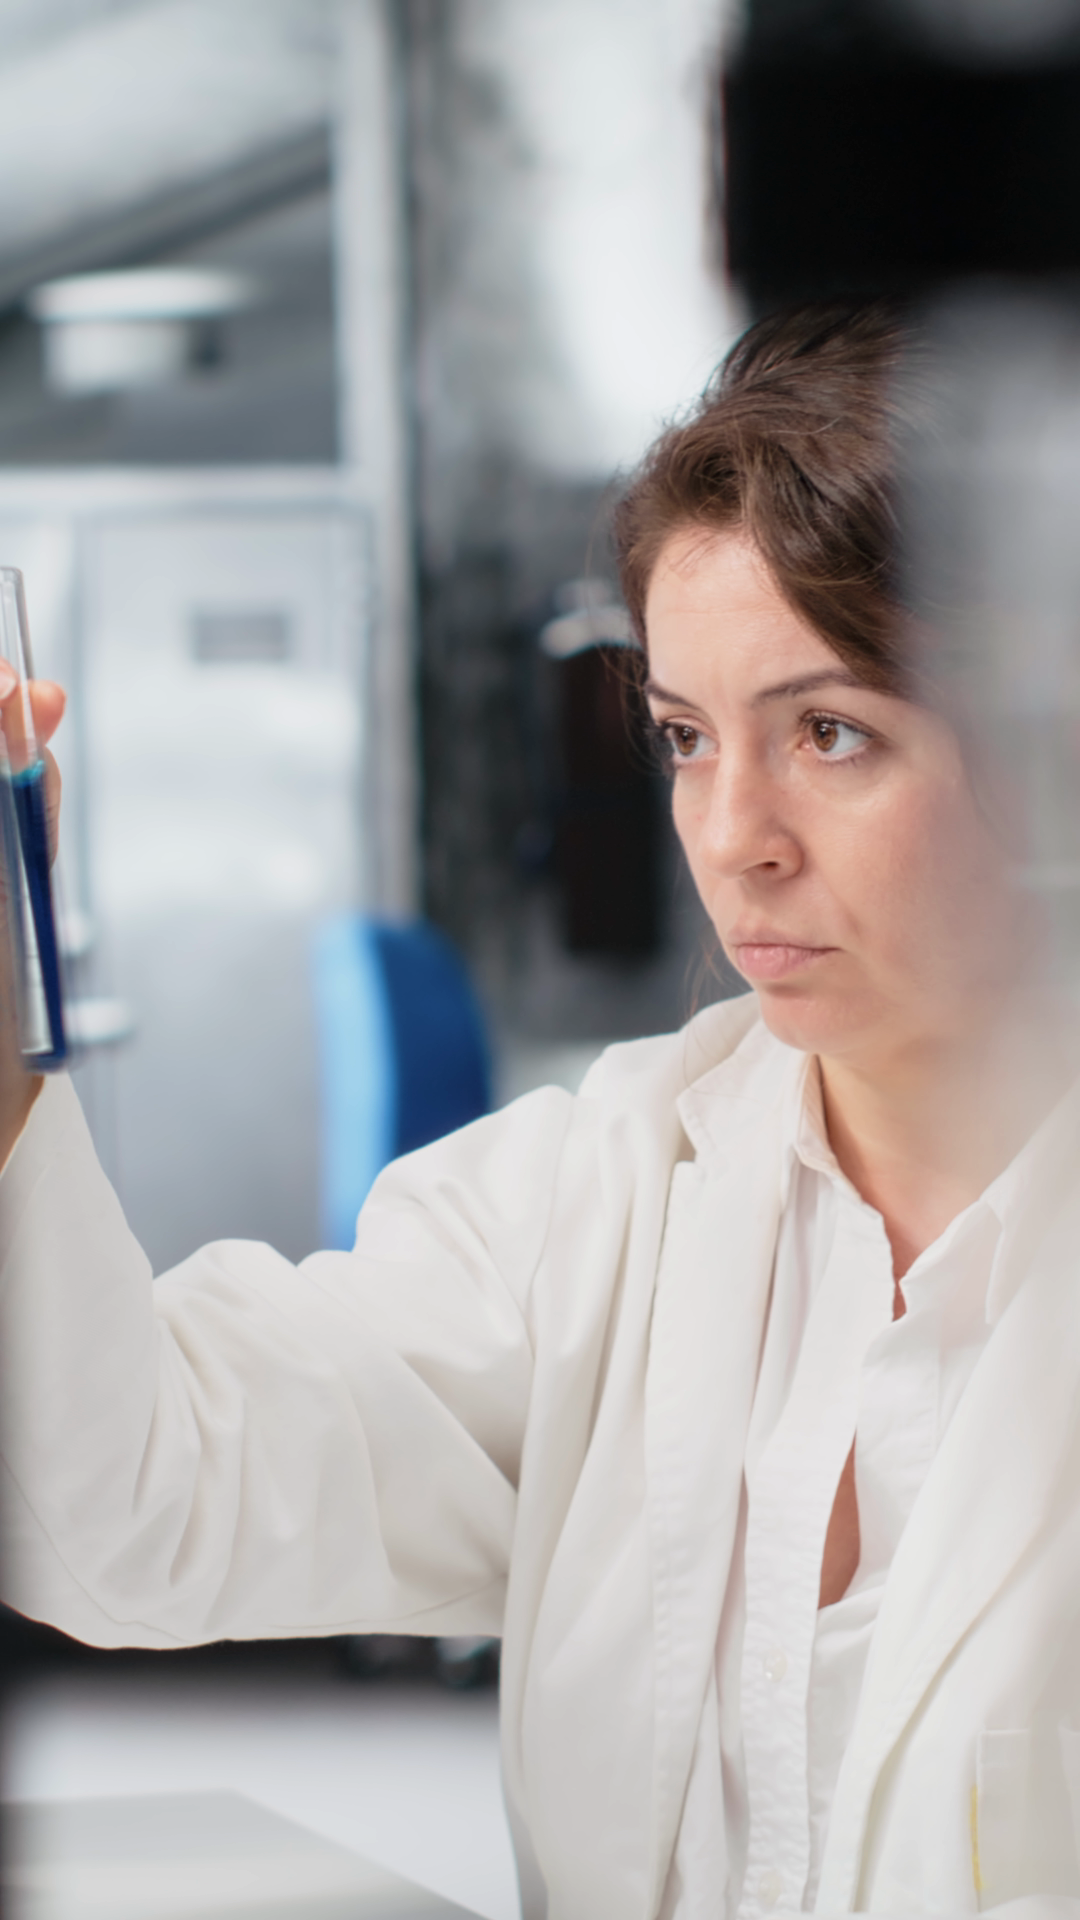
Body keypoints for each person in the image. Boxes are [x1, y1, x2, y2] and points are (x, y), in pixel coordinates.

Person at [3, 304, 1080, 1920]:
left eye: (830, 732)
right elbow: (117, 1506)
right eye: (687, 739)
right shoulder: (603, 1200)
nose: (734, 834)